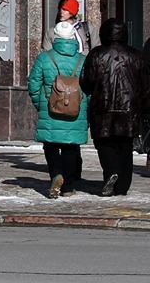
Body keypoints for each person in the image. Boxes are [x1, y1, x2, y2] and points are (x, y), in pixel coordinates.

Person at [80, 18, 150, 196]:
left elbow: (85, 82)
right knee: (125, 147)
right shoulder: (137, 55)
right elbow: (145, 86)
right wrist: (143, 107)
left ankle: (112, 172)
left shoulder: (96, 55)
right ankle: (122, 186)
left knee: (105, 144)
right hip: (129, 110)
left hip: (102, 109)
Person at [28, 21, 90, 198]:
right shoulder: (82, 60)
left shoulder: (44, 58)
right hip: (76, 109)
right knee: (70, 147)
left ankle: (56, 174)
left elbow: (33, 83)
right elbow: (89, 87)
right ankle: (68, 187)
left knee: (51, 145)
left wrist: (40, 102)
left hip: (50, 106)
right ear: (73, 38)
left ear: (55, 37)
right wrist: (86, 105)